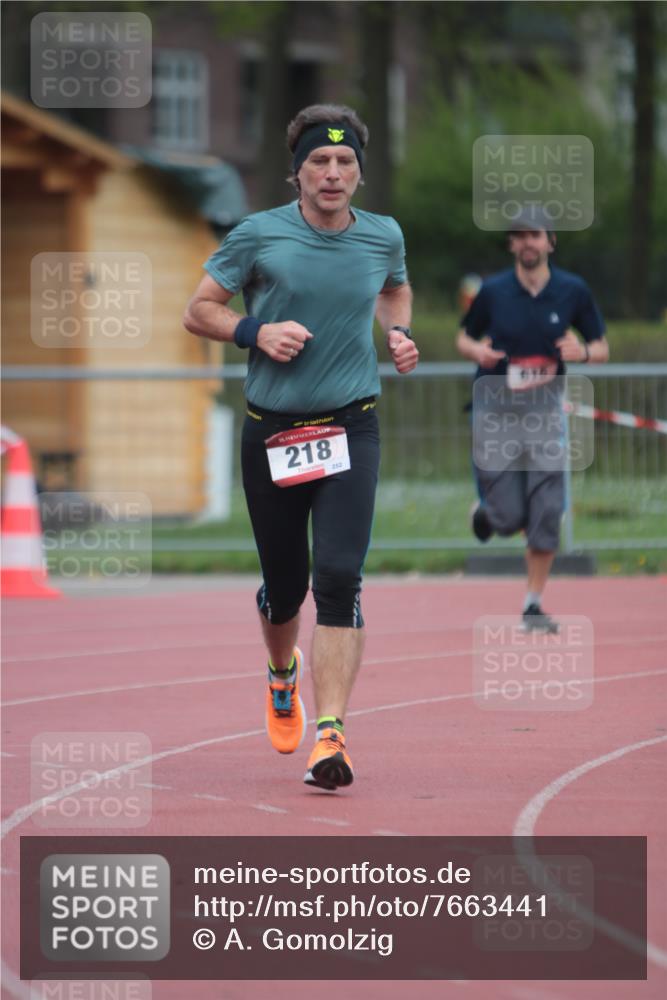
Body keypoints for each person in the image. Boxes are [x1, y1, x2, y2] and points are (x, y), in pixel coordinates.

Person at [184, 104, 418, 790]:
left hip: (351, 426)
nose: (332, 172)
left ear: (359, 176)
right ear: (296, 173)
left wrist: (398, 333)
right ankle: (281, 675)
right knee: (284, 592)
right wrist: (254, 332)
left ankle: (331, 736)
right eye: (319, 161)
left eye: (345, 163)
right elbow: (198, 309)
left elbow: (395, 289)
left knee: (339, 578)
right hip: (274, 432)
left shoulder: (381, 236)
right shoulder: (258, 235)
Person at [456, 210, 609, 632]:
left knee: (546, 511)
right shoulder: (493, 291)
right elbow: (463, 337)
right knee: (508, 518)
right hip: (496, 412)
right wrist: (477, 353)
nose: (528, 243)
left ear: (550, 242)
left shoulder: (572, 291)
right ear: (511, 245)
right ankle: (488, 515)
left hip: (544, 414)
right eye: (519, 236)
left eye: (535, 235)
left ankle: (533, 603)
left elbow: (601, 347)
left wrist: (583, 352)